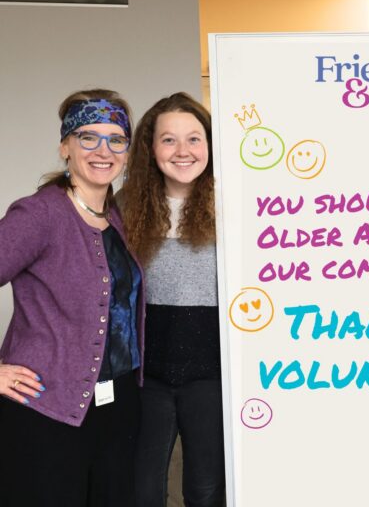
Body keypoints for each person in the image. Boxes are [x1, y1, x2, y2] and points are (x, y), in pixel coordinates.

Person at [0, 89, 143, 506]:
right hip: (46, 409)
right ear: (65, 146)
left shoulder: (117, 216)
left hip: (118, 406)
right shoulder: (39, 213)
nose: (104, 150)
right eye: (88, 137)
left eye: (116, 139)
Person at [119, 92, 224, 507]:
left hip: (214, 374)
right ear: (150, 147)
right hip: (146, 374)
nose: (183, 151)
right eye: (168, 140)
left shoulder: (234, 204)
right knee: (142, 489)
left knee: (206, 489)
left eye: (194, 139)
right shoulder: (124, 207)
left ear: (210, 145)